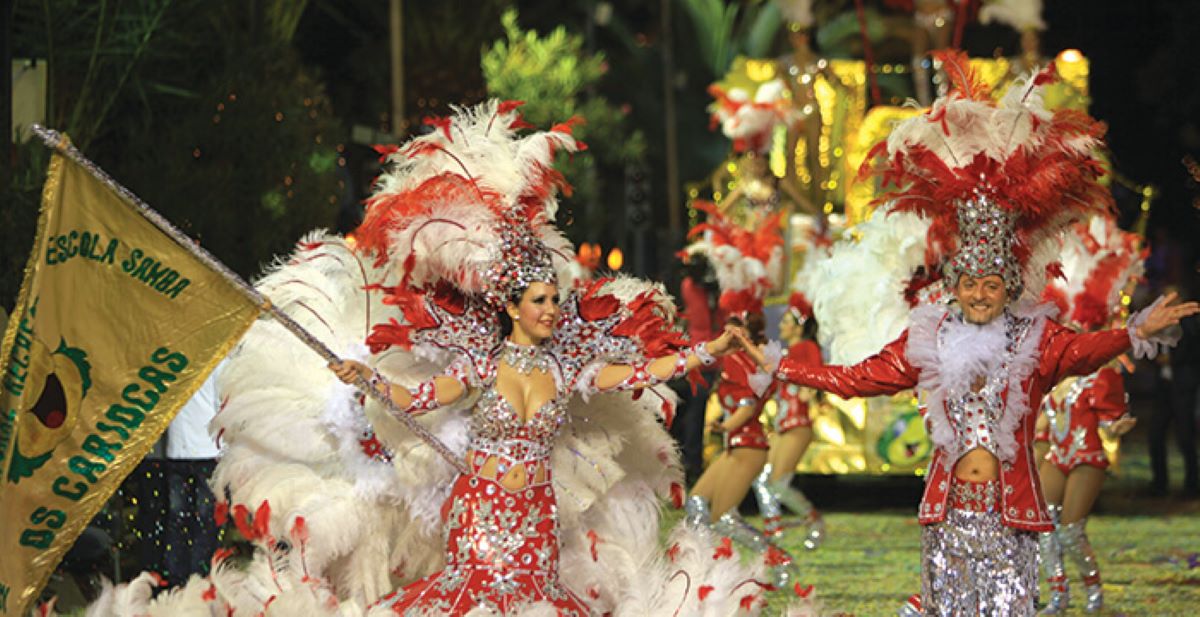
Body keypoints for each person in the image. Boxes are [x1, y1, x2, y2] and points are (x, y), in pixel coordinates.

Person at [767, 51, 1200, 615]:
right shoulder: (929, 338)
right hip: (946, 514)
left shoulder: (1034, 342)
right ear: (955, 283)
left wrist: (1135, 329)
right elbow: (854, 379)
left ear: (1008, 286)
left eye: (990, 285)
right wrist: (778, 364)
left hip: (1011, 512)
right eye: (969, 283)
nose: (978, 294)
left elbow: (1083, 350)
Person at [332, 279, 741, 613]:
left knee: (533, 603)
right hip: (480, 511)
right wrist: (370, 379)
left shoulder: (566, 367)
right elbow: (417, 399)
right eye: (539, 300)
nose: (551, 310)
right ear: (512, 308)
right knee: (475, 600)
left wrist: (711, 350)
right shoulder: (481, 363)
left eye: (554, 300)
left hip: (535, 513)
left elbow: (643, 372)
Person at [752, 292, 825, 548]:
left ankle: (813, 522)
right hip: (783, 424)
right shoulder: (786, 353)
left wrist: (810, 390)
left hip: (798, 424)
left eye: (785, 322)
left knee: (778, 484)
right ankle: (773, 532)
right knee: (762, 480)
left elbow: (816, 377)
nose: (780, 326)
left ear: (799, 326)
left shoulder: (806, 348)